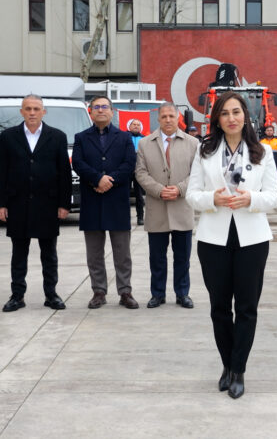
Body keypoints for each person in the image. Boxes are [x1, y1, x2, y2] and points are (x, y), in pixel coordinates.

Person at [186, 91, 277, 399]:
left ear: (245, 116)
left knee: (247, 307)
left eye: (236, 112)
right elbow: (192, 194)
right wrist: (211, 199)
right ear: (217, 118)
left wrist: (250, 198)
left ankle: (239, 369)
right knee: (219, 308)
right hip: (214, 238)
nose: (231, 118)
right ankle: (226, 364)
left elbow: (273, 197)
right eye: (225, 113)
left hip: (252, 239)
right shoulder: (205, 151)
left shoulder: (263, 152)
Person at [0, 95, 72, 312]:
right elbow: (0, 172)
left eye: (36, 108)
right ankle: (17, 296)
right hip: (17, 204)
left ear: (43, 112)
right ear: (21, 111)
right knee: (19, 254)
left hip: (48, 204)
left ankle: (51, 294)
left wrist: (64, 204)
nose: (32, 112)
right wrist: (0, 204)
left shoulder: (56, 136)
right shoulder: (8, 137)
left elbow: (64, 173)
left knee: (49, 255)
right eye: (28, 108)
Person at [73, 96, 140, 310]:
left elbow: (129, 164)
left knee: (122, 252)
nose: (101, 110)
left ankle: (125, 291)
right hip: (92, 200)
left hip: (117, 200)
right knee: (94, 253)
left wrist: (110, 180)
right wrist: (97, 179)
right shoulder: (82, 137)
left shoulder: (124, 137)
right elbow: (78, 162)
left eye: (105, 107)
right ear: (90, 111)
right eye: (96, 107)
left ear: (112, 111)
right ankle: (99, 291)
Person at [134, 103, 200, 309]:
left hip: (182, 208)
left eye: (171, 116)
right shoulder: (145, 143)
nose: (168, 120)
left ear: (178, 117)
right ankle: (158, 294)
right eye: (164, 116)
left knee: (182, 258)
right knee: (157, 259)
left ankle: (182, 294)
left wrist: (179, 189)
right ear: (158, 119)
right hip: (157, 209)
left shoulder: (193, 143)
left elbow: (198, 174)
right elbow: (140, 172)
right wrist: (159, 190)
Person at [129, 119, 146, 226]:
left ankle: (140, 217)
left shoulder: (144, 139)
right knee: (124, 195)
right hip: (126, 171)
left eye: (138, 125)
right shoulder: (124, 137)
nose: (136, 126)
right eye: (134, 124)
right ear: (129, 126)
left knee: (139, 196)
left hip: (139, 171)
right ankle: (125, 217)